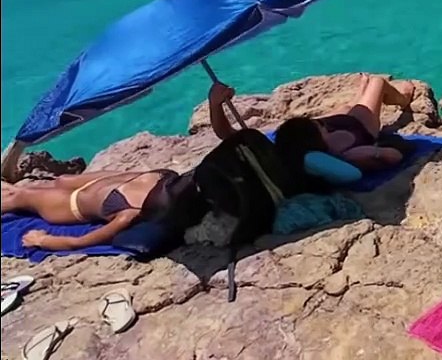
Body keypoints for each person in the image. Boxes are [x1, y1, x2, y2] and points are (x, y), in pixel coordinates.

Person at [208, 75, 413, 173]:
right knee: (377, 83)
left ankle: (360, 95)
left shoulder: (284, 149)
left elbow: (225, 133)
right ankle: (403, 99)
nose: (323, 127)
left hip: (341, 120)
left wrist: (215, 103)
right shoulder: (344, 157)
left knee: (346, 105)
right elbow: (393, 158)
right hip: (359, 125)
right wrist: (374, 152)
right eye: (320, 128)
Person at [2, 167, 197, 250]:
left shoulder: (128, 214)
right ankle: (11, 187)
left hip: (71, 206)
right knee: (52, 182)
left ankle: (12, 191)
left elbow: (79, 242)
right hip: (92, 185)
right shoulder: (165, 176)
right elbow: (119, 174)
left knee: (22, 197)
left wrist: (42, 240)